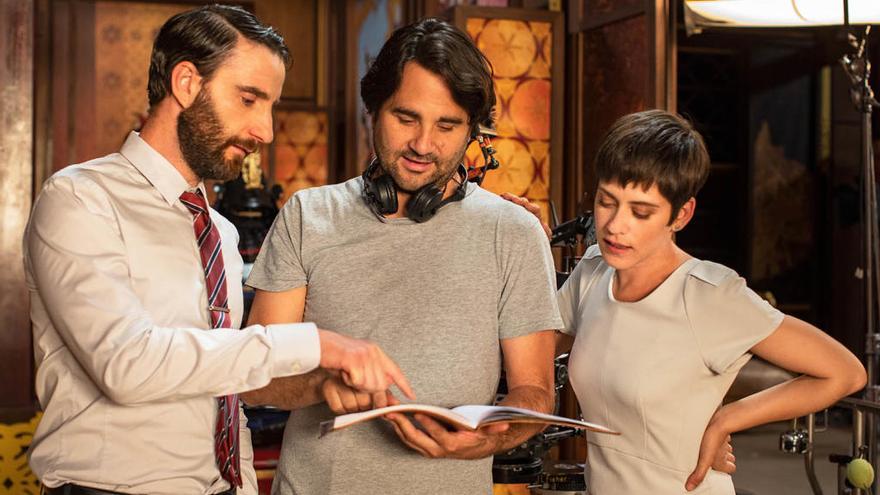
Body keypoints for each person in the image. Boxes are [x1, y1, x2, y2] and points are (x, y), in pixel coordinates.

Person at [24, 6, 411, 495]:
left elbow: (222, 390)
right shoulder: (81, 198)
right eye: (249, 99)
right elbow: (126, 365)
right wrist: (319, 344)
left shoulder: (219, 230)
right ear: (186, 83)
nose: (265, 131)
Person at [241, 17, 564, 495]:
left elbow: (534, 393)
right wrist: (323, 384)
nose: (422, 145)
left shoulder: (514, 232)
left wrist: (482, 442)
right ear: (373, 109)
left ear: (473, 131)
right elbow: (254, 377)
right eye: (406, 117)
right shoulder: (308, 215)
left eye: (448, 125)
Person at [549, 109, 866, 493]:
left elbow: (845, 372)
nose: (616, 225)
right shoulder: (594, 270)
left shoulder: (709, 294)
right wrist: (526, 245)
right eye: (606, 201)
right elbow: (533, 348)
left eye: (641, 212)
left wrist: (727, 419)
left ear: (681, 215)